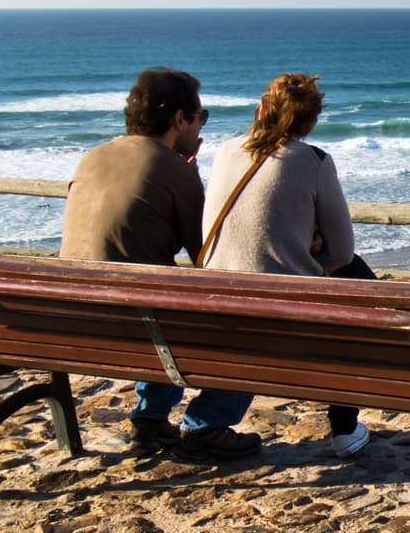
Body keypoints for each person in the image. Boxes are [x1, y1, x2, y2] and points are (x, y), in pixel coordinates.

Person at [58, 67, 262, 461]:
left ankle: (150, 418)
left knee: (157, 305)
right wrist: (192, 179)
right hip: (137, 323)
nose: (201, 124)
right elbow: (208, 255)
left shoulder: (94, 157)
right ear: (179, 119)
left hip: (74, 320)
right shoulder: (172, 169)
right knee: (250, 327)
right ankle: (207, 424)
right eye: (200, 116)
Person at [198, 72, 374, 456]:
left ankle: (206, 420)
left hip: (216, 296)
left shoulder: (226, 151)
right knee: (359, 280)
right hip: (281, 310)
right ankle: (344, 428)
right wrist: (315, 247)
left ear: (261, 109)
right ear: (311, 122)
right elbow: (341, 253)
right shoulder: (313, 160)